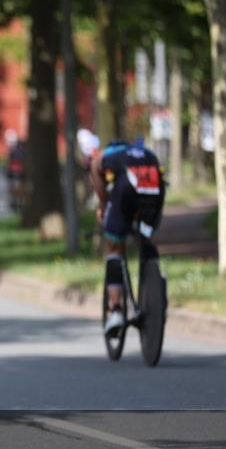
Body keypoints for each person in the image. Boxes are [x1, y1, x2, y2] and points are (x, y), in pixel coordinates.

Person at [80, 130, 165, 334]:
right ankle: (154, 276)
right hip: (155, 189)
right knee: (146, 236)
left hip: (126, 189)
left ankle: (117, 310)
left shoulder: (108, 154)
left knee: (115, 246)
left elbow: (94, 167)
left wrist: (103, 204)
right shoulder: (145, 152)